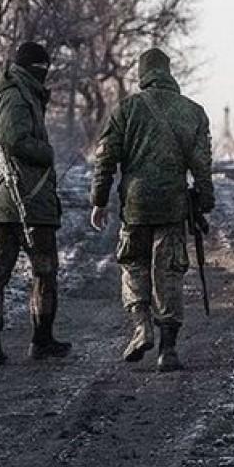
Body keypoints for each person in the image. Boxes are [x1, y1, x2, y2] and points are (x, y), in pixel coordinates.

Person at [89, 47, 214, 372]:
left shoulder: (125, 110)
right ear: (169, 72)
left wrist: (99, 200)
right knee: (168, 272)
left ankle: (141, 324)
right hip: (173, 205)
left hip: (135, 204)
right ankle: (167, 350)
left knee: (133, 265)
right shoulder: (193, 112)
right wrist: (205, 199)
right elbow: (201, 164)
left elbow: (105, 160)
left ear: (143, 74)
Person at [0, 41, 71, 366]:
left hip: (6, 201)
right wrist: (48, 154)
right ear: (38, 69)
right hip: (24, 200)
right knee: (42, 271)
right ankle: (34, 342)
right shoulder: (17, 95)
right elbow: (15, 140)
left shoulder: (11, 92)